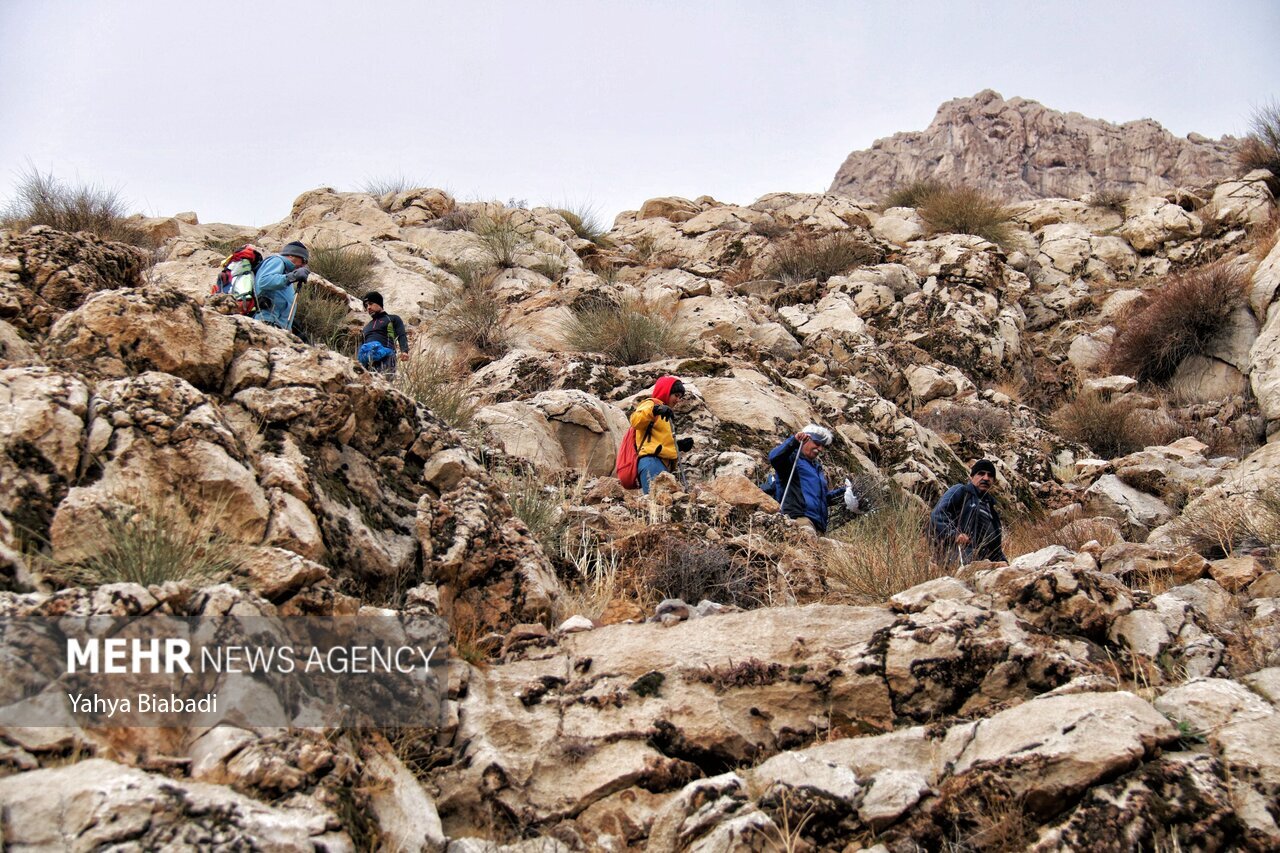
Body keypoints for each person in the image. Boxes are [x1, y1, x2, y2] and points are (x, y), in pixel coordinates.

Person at [767, 425, 857, 535]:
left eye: (822, 446)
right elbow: (774, 457)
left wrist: (845, 493)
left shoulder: (816, 467)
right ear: (805, 439)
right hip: (799, 520)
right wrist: (794, 441)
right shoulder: (791, 460)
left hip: (818, 526)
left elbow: (823, 499)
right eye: (817, 443)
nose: (820, 449)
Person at [929, 459, 1008, 564]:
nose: (986, 478)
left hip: (984, 562)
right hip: (959, 556)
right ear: (971, 477)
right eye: (981, 474)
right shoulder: (961, 491)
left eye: (990, 475)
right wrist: (955, 535)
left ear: (993, 481)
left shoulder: (991, 507)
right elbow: (938, 514)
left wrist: (1004, 563)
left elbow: (995, 546)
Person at [629, 375, 693, 494]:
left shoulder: (665, 412)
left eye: (680, 397)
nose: (678, 400)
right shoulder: (651, 404)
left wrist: (679, 445)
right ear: (666, 392)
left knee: (662, 503)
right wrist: (655, 410)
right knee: (657, 501)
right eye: (676, 395)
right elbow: (635, 421)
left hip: (660, 465)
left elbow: (659, 441)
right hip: (651, 463)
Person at [253, 241, 309, 332]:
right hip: (267, 321)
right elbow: (264, 281)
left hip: (277, 325)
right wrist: (291, 277)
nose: (303, 265)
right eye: (303, 260)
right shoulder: (277, 261)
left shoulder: (286, 272)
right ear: (291, 255)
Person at [358, 291, 410, 375]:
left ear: (379, 303)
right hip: (367, 362)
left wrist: (404, 351)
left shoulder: (392, 319)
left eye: (370, 303)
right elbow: (361, 345)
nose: (368, 307)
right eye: (366, 306)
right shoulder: (366, 327)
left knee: (384, 381)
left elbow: (401, 335)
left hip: (386, 358)